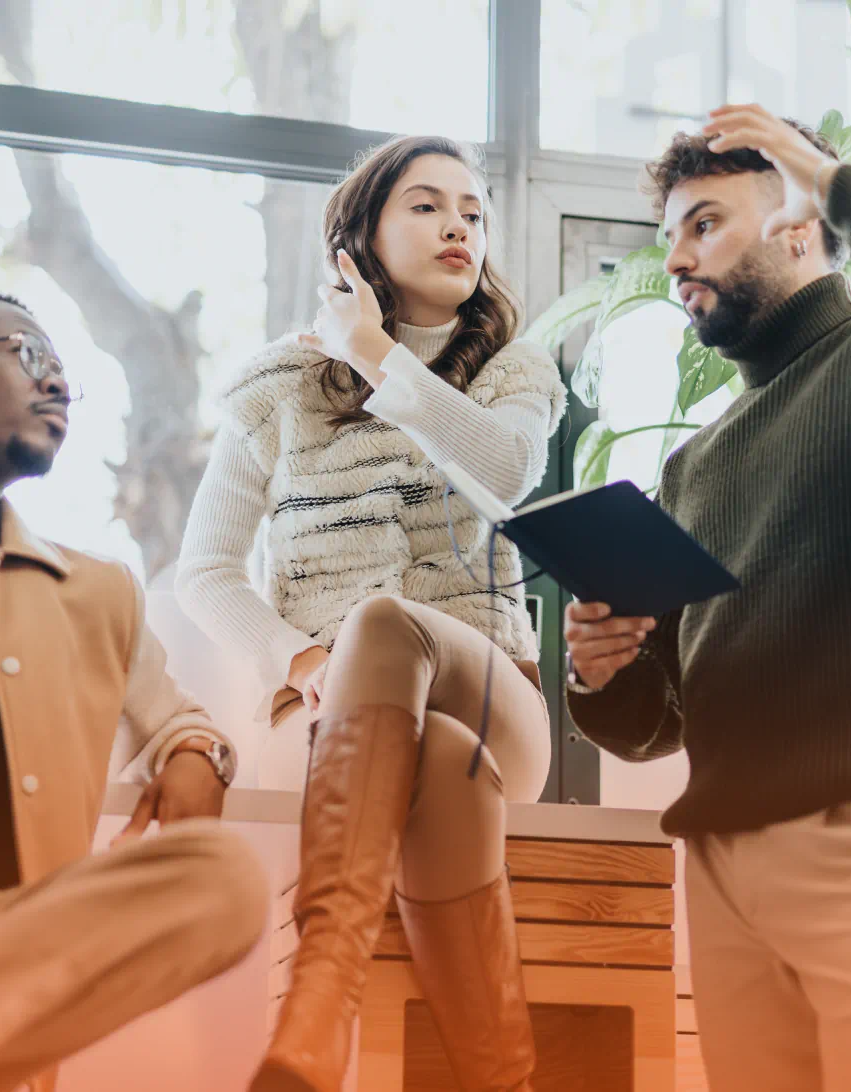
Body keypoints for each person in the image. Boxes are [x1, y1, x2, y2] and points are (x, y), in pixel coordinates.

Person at [178, 135, 566, 1092]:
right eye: (428, 206)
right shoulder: (279, 389)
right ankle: (501, 1075)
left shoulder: (517, 371)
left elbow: (507, 474)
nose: (459, 228)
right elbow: (206, 571)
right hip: (322, 718)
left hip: (492, 691)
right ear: (358, 240)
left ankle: (320, 1001)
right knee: (438, 757)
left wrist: (380, 357)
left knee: (387, 624)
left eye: (474, 212)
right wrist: (301, 663)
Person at [564, 104, 851, 1092]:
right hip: (724, 874)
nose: (678, 258)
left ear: (799, 226)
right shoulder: (694, 466)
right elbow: (658, 721)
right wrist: (604, 673)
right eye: (669, 236)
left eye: (705, 224)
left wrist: (838, 180)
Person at [0, 292, 268, 1092]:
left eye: (68, 380)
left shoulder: (94, 592)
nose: (57, 389)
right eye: (29, 355)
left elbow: (177, 718)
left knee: (220, 879)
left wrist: (198, 751)